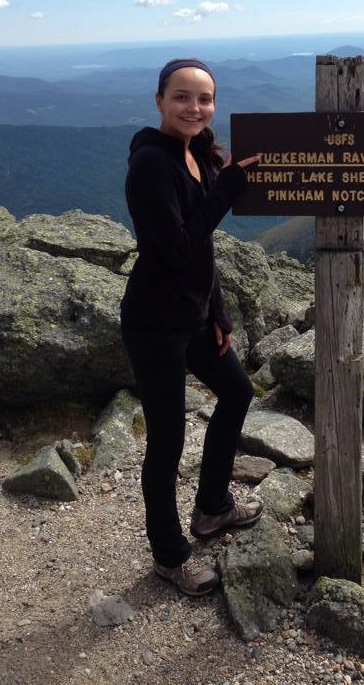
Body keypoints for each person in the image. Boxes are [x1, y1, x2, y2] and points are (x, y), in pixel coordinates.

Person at [120, 57, 262, 597]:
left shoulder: (195, 154)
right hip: (155, 323)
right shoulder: (151, 165)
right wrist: (227, 190)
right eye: (182, 97)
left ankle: (211, 509)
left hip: (194, 315)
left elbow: (199, 248)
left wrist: (218, 312)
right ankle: (170, 556)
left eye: (204, 99)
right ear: (159, 101)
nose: (194, 108)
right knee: (168, 440)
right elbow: (177, 247)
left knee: (237, 391)